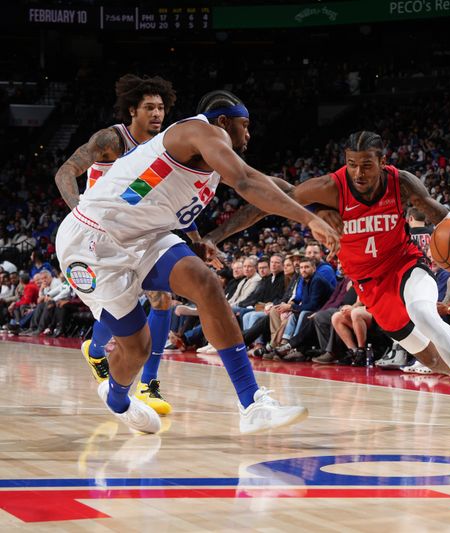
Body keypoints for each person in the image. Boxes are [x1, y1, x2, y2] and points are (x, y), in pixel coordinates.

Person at [55, 89, 340, 434]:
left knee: (203, 281)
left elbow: (274, 189)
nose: (248, 134)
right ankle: (116, 399)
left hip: (146, 236)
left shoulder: (215, 163)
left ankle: (251, 404)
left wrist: (324, 210)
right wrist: (309, 220)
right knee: (137, 348)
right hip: (93, 241)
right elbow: (248, 182)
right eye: (244, 125)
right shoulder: (198, 131)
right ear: (223, 122)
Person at [207, 130, 450, 441]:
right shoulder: (330, 188)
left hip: (404, 265)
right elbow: (267, 201)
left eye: (366, 165)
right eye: (352, 164)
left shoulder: (402, 183)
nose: (358, 173)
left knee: (424, 313)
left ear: (382, 162)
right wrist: (213, 237)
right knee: (433, 361)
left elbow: (446, 218)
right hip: (370, 286)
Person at [53, 74, 180, 415]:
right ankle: (96, 350)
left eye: (162, 108)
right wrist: (79, 211)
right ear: (132, 110)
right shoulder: (111, 139)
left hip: (138, 229)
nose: (157, 114)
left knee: (162, 296)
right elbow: (65, 172)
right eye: (149, 107)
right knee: (118, 300)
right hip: (96, 234)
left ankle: (148, 384)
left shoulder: (165, 147)